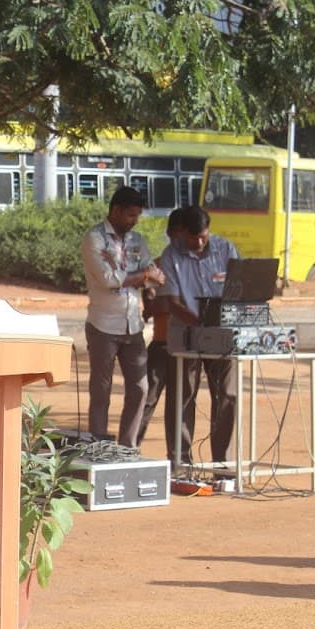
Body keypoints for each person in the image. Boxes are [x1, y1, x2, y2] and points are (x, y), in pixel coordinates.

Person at [80, 185, 165, 447]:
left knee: (140, 388)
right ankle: (99, 447)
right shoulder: (94, 239)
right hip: (103, 324)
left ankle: (128, 447)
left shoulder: (137, 240)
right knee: (101, 390)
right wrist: (142, 277)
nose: (134, 221)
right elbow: (109, 280)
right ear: (115, 211)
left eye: (137, 216)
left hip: (133, 325)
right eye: (130, 215)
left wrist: (143, 278)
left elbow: (153, 276)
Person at [155, 205, 241, 464]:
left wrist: (222, 322)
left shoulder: (226, 249)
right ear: (182, 234)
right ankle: (180, 463)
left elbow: (241, 286)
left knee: (227, 395)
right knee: (182, 397)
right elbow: (172, 302)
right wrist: (202, 325)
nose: (200, 242)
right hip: (185, 337)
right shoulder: (171, 256)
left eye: (204, 236)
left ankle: (222, 463)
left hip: (224, 337)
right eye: (194, 238)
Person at [136, 208, 183, 444]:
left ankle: (179, 460)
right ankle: (130, 450)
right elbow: (153, 305)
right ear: (172, 234)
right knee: (147, 399)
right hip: (163, 344)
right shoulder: (156, 267)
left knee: (181, 406)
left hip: (186, 349)